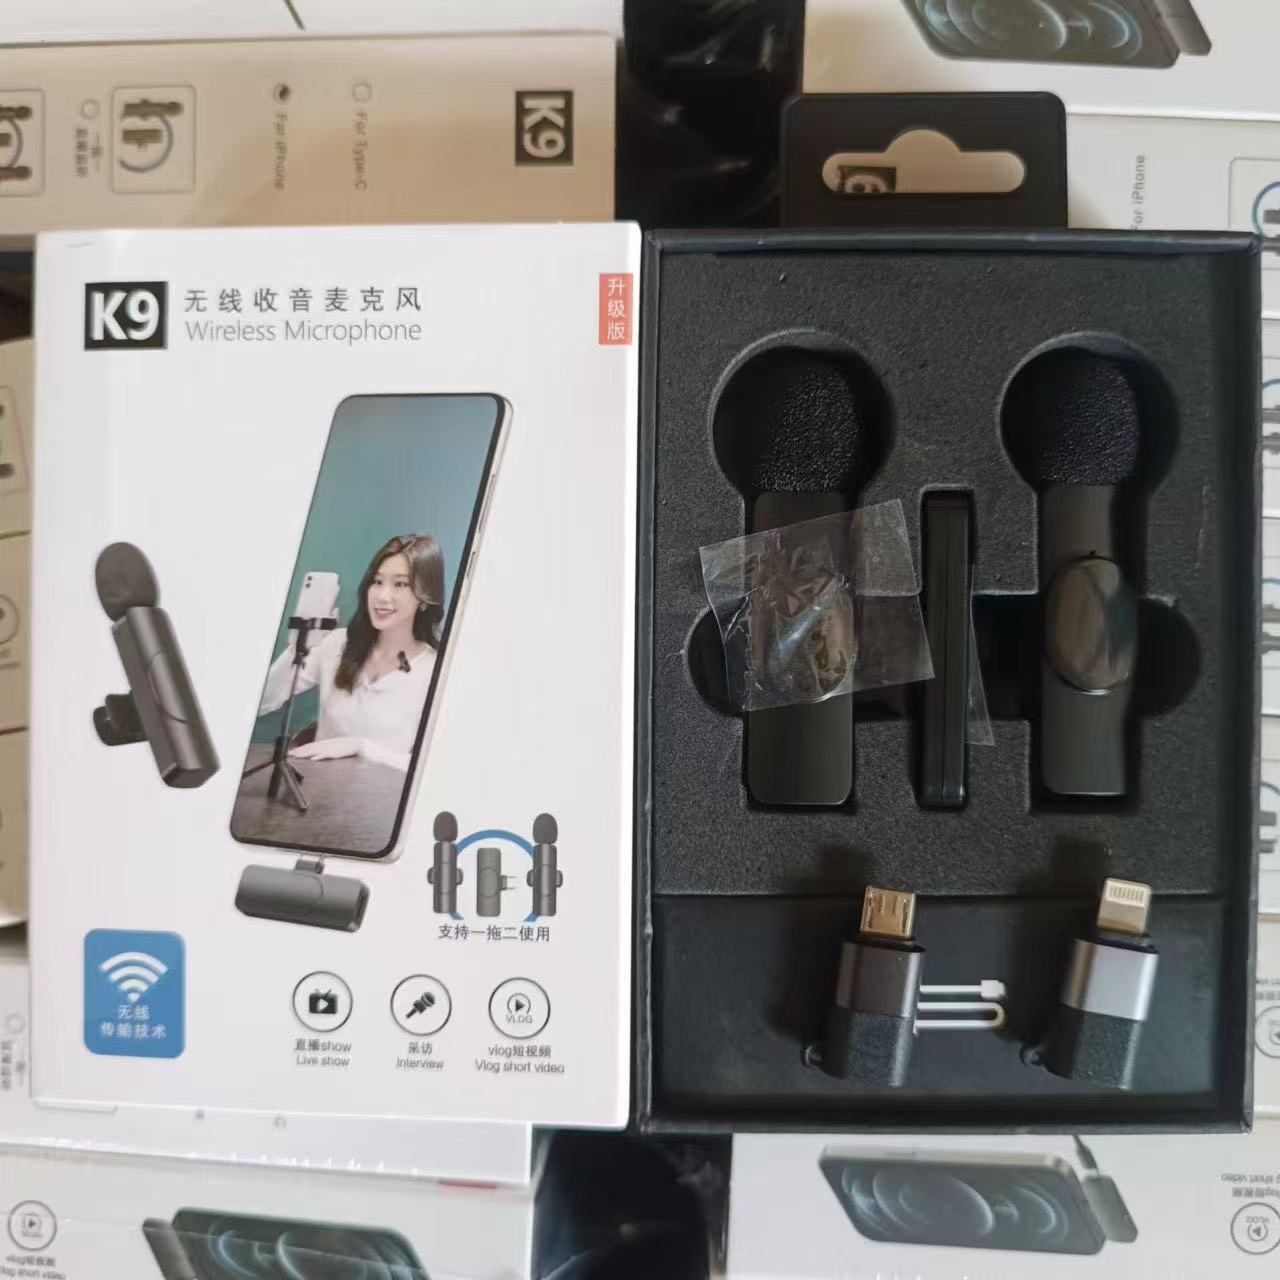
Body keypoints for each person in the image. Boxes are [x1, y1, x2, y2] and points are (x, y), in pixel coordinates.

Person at [258, 534, 444, 772]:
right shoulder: (336, 643)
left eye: (400, 584)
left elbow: (434, 769)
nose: (382, 596)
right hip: (316, 789)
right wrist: (299, 648)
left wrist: (361, 747)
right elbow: (261, 702)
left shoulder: (436, 671)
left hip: (382, 795)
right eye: (377, 581)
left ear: (425, 599)